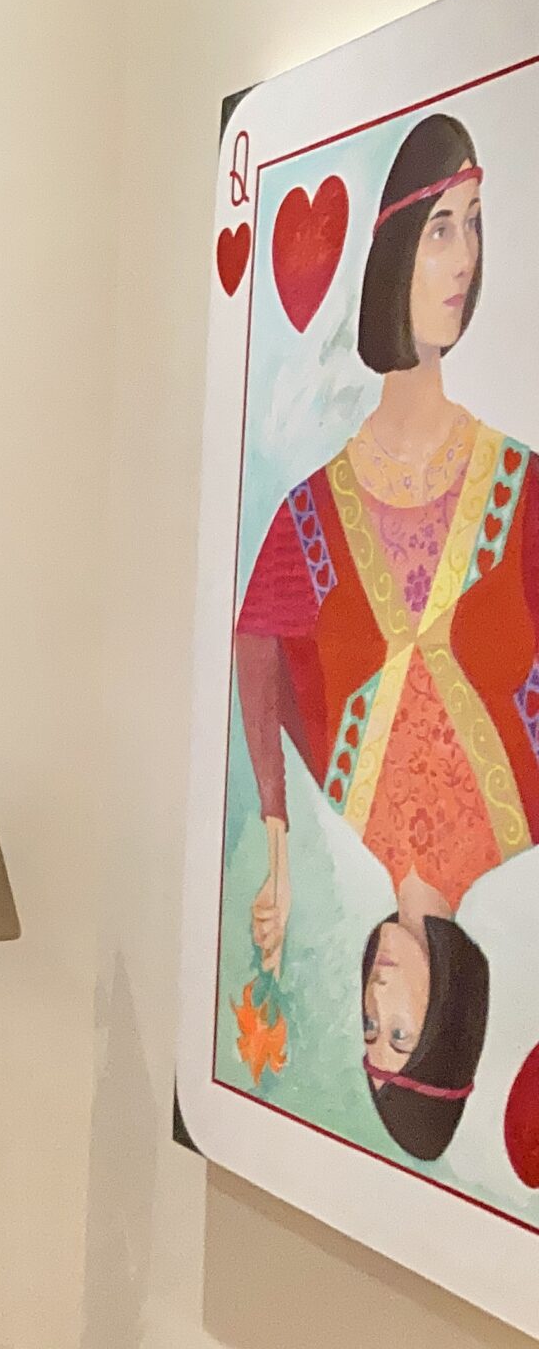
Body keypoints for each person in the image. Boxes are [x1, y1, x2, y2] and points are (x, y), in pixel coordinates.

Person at [232, 113, 539, 1154]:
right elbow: (262, 631)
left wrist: (276, 847)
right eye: (442, 228)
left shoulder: (345, 791)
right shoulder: (522, 814)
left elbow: (258, 645)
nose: (462, 262)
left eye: (474, 227)